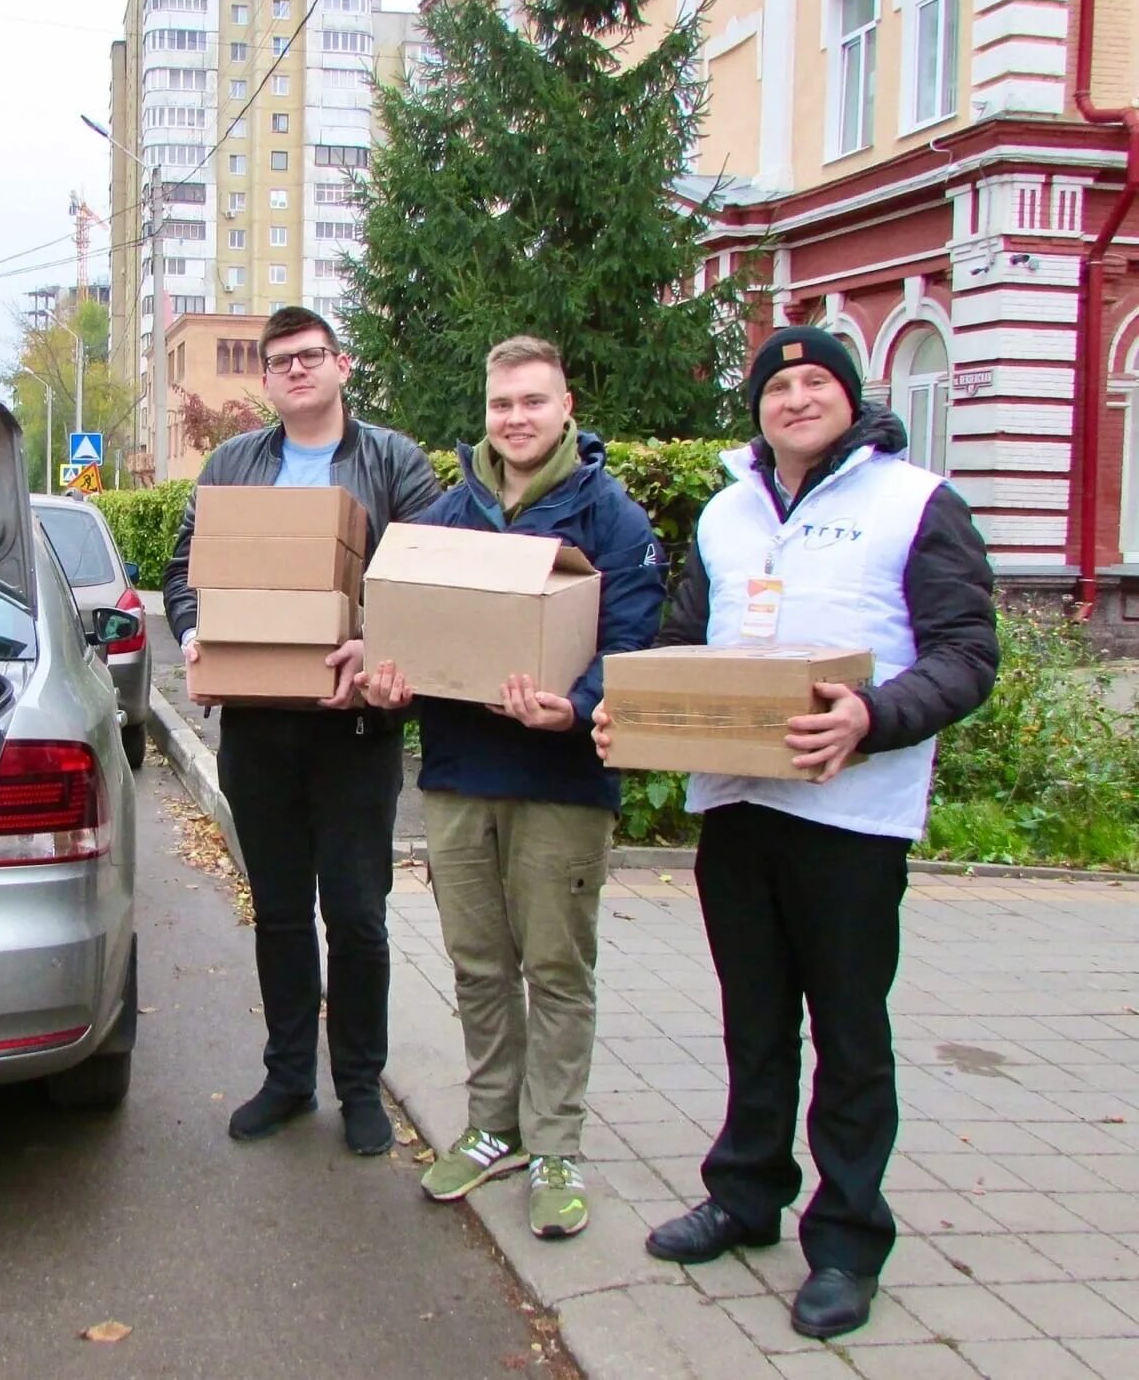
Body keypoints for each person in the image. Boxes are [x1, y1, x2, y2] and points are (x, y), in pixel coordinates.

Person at [592, 325, 998, 1338]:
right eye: (779, 386)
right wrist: (630, 709)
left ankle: (848, 1240)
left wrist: (871, 717)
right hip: (738, 804)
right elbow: (686, 644)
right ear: (759, 408)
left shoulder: (915, 503)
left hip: (853, 816)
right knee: (754, 1016)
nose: (796, 398)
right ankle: (746, 1193)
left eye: (817, 382)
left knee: (851, 1034)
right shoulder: (730, 512)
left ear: (850, 400)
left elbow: (966, 655)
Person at [356, 336, 664, 1237]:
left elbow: (636, 646)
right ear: (484, 412)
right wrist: (389, 685)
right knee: (480, 964)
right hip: (458, 778)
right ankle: (495, 1126)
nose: (516, 419)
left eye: (533, 402)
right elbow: (403, 631)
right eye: (501, 405)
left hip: (562, 781)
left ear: (566, 406)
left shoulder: (615, 521)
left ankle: (557, 1142)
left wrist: (578, 707)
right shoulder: (447, 517)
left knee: (557, 967)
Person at [164, 304, 441, 1156]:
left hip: (353, 727)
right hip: (256, 726)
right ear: (267, 377)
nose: (295, 370)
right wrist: (192, 631)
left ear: (342, 364)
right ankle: (289, 1078)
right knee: (280, 912)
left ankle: (360, 1085)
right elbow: (184, 570)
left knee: (356, 915)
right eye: (279, 360)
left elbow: (431, 578)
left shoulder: (393, 463)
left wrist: (381, 646)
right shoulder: (234, 463)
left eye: (310, 356)